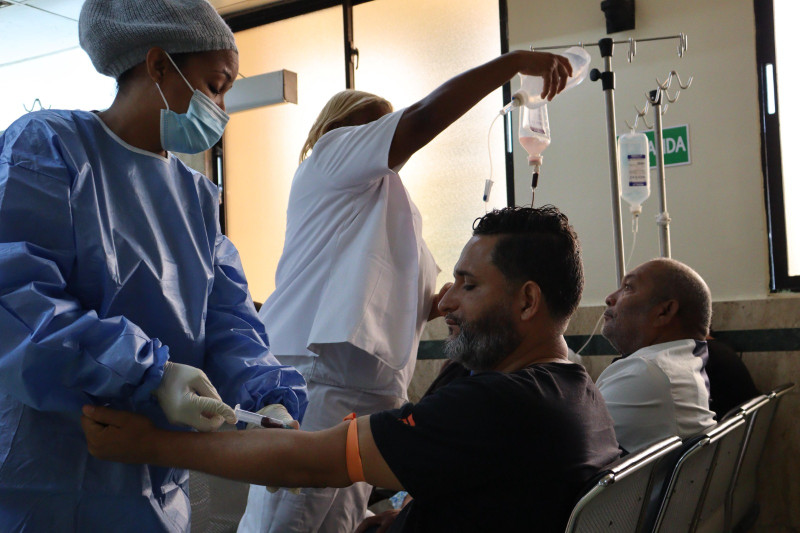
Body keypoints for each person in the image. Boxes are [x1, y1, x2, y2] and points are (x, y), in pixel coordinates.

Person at [81, 205, 621, 533]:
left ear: (528, 302)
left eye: (470, 285)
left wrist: (149, 445)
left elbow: (310, 463)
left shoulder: (506, 403)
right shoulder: (574, 390)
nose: (447, 301)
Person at [0, 1, 307, 531]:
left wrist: (269, 401)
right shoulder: (48, 148)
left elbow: (229, 322)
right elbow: (17, 300)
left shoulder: (196, 199)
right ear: (159, 65)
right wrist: (150, 373)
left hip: (154, 492)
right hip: (41, 476)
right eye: (215, 85)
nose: (222, 108)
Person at [241, 49, 575, 533]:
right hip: (320, 382)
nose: (384, 139)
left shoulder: (389, 210)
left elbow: (384, 296)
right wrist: (513, 63)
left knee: (337, 526)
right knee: (284, 525)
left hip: (367, 394)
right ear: (340, 129)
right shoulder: (331, 158)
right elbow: (420, 121)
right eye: (373, 129)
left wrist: (451, 301)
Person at [597, 258, 717, 453]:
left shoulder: (646, 371)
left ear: (664, 311)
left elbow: (566, 448)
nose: (610, 298)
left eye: (628, 287)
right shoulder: (680, 361)